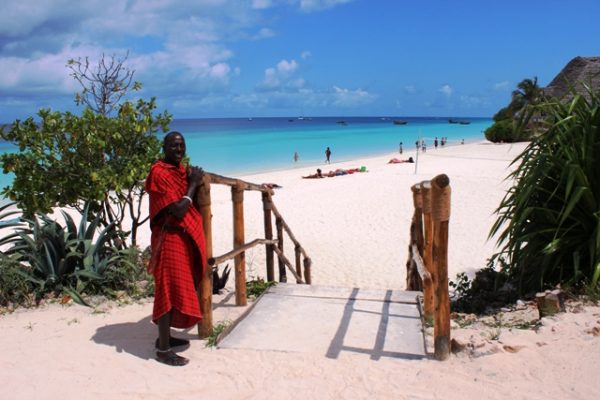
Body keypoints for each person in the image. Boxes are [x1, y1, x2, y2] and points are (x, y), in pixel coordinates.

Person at [145, 131, 207, 367]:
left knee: (176, 288)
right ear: (165, 147)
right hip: (168, 237)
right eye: (173, 145)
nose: (178, 149)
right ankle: (163, 350)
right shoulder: (159, 173)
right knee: (167, 291)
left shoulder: (180, 171)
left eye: (181, 145)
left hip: (181, 237)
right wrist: (193, 184)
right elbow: (179, 209)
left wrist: (191, 178)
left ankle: (165, 337)